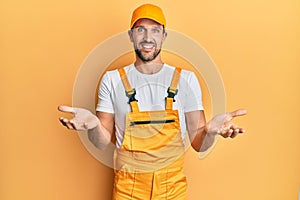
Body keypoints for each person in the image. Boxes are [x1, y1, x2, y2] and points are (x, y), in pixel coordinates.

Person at [58, 4, 247, 200]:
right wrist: (93, 125)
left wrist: (209, 132)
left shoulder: (186, 80)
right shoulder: (112, 80)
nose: (148, 38)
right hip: (127, 191)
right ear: (131, 35)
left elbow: (199, 144)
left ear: (164, 36)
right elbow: (101, 141)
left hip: (173, 191)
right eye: (141, 30)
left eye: (155, 30)